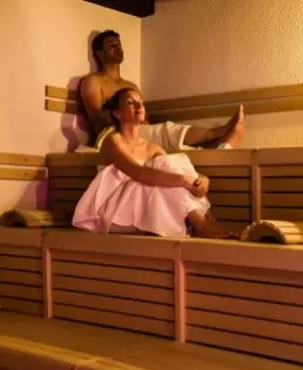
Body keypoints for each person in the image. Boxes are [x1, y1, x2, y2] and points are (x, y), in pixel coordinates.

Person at [72, 87, 236, 239]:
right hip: (114, 212)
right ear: (117, 114)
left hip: (145, 210)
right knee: (161, 174)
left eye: (140, 102)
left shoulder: (151, 147)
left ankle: (208, 223)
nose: (139, 106)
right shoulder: (113, 142)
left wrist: (203, 180)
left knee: (169, 163)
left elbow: (176, 170)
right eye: (130, 102)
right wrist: (183, 180)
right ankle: (203, 225)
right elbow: (139, 173)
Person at [78, 30, 244, 151]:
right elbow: (96, 117)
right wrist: (128, 122)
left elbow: (143, 118)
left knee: (165, 144)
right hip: (113, 135)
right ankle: (216, 133)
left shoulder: (131, 86)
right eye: (111, 44)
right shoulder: (93, 81)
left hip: (138, 131)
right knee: (163, 131)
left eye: (119, 44)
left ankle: (221, 148)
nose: (118, 47)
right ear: (99, 54)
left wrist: (142, 123)